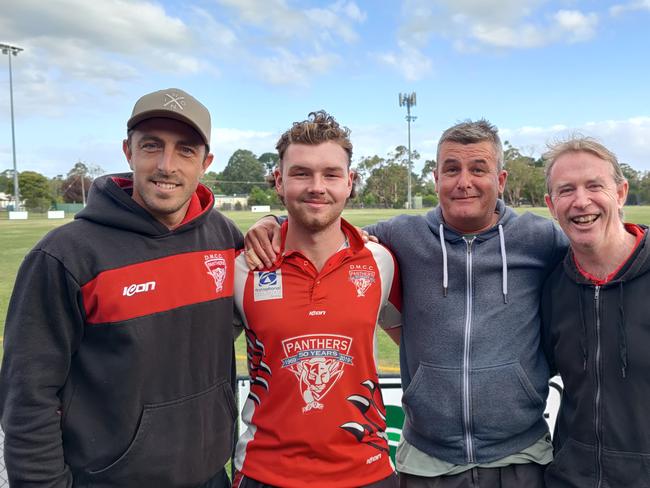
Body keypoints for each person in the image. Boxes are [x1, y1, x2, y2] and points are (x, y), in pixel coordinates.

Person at [244, 119, 568, 487]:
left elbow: (597, 255)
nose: (464, 182)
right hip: (428, 461)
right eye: (451, 169)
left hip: (522, 457)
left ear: (502, 180)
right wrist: (274, 221)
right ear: (435, 178)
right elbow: (322, 220)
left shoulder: (542, 239)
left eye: (479, 169)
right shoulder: (399, 236)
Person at [0, 88, 243, 487]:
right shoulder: (64, 256)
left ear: (205, 163)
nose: (167, 165)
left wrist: (271, 220)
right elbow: (27, 398)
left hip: (211, 476)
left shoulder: (223, 236)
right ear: (128, 152)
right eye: (151, 146)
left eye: (185, 150)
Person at [232, 111, 401, 488]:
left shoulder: (381, 262)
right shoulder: (243, 267)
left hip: (366, 470)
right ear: (279, 181)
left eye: (331, 174)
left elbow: (417, 343)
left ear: (350, 182)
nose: (317, 186)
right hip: (265, 473)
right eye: (301, 173)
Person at [541, 137, 650, 487]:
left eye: (594, 186)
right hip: (570, 479)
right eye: (566, 190)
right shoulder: (552, 286)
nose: (581, 201)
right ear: (550, 204)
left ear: (620, 193)